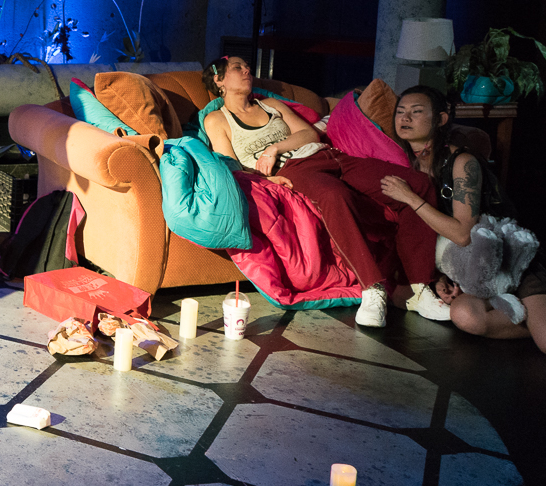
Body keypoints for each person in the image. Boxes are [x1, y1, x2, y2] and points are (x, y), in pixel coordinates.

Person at [201, 56, 439, 328]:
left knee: (418, 183)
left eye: (246, 66)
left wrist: (274, 148)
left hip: (330, 156)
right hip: (295, 168)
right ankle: (372, 288)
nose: (246, 70)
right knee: (334, 195)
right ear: (219, 80)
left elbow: (309, 134)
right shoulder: (217, 119)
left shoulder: (270, 105)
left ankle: (418, 287)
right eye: (237, 68)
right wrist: (269, 179)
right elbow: (231, 165)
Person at [384, 85, 546, 352]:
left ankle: (537, 318)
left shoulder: (462, 161)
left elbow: (462, 234)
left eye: (416, 111)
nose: (405, 118)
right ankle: (531, 321)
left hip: (511, 262)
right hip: (474, 272)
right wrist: (438, 276)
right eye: (400, 112)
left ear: (441, 119)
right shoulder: (404, 164)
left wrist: (411, 198)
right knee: (464, 315)